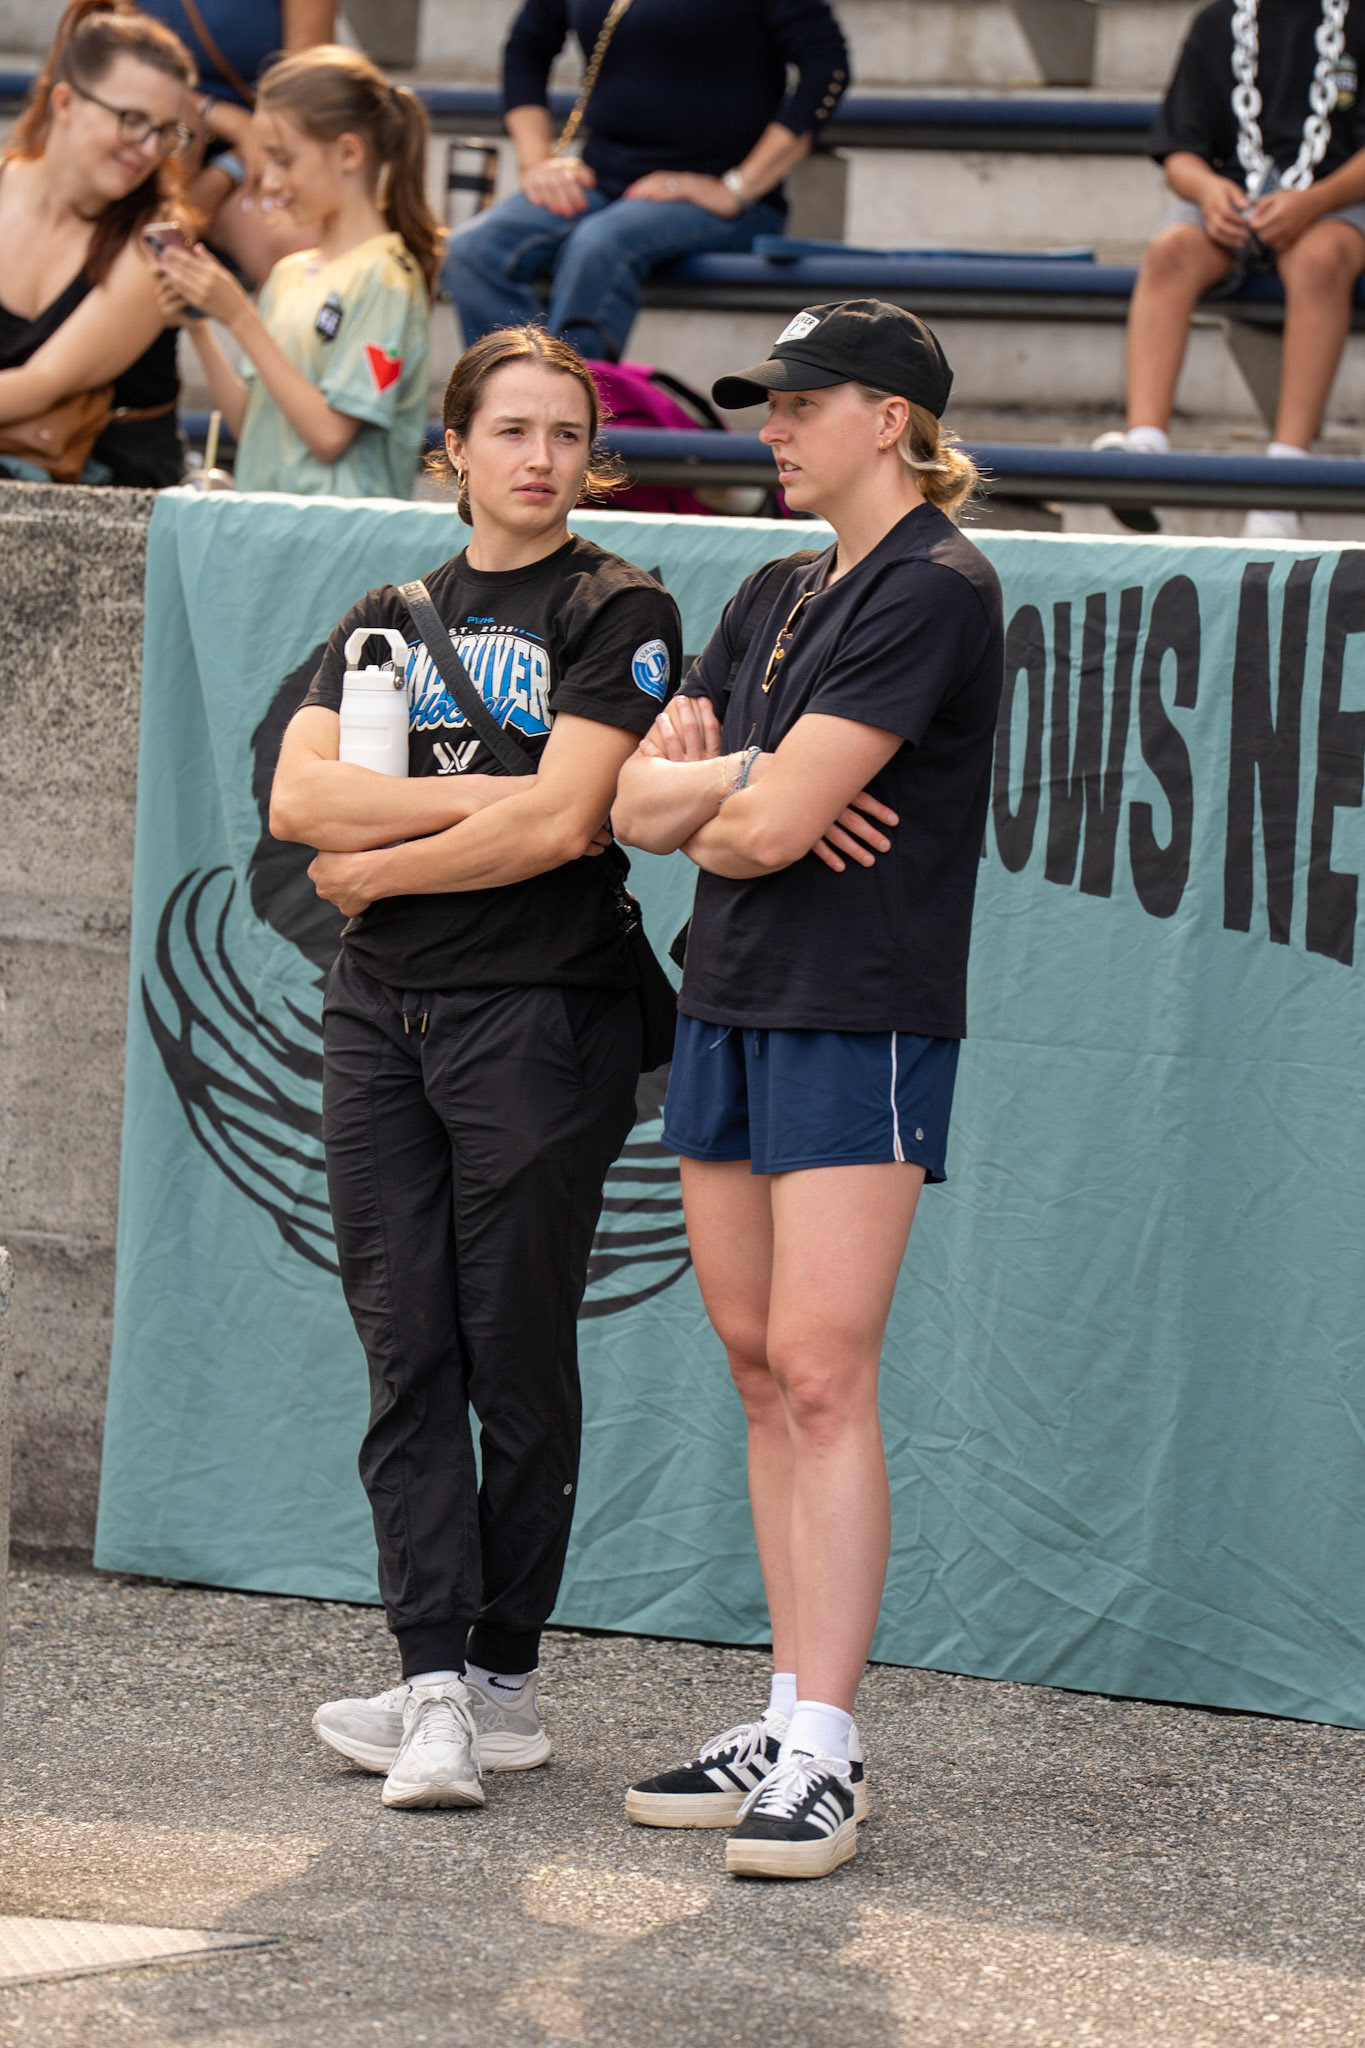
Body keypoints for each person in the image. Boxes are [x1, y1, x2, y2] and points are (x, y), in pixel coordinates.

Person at [612, 300, 1004, 1881]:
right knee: (759, 1366)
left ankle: (827, 1749)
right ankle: (784, 1717)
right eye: (765, 406)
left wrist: (736, 795)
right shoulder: (771, 588)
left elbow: (764, 832)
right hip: (727, 996)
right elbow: (638, 807)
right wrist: (743, 780)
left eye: (799, 404)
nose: (769, 431)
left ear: (890, 420)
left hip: (861, 1016)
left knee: (826, 1372)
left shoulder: (939, 586)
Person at [269, 324, 681, 1811]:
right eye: (510, 429)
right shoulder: (385, 615)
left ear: (593, 455)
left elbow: (568, 823)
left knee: (513, 1347)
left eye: (567, 433)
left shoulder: (618, 605)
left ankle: (502, 1676)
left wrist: (382, 864)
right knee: (406, 1350)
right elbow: (299, 797)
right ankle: (431, 1676)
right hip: (380, 1017)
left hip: (540, 1013)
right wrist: (482, 813)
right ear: (452, 447)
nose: (540, 456)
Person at [444, 0, 849, 362]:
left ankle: (577, 411)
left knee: (598, 244)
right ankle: (512, 398)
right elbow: (527, 45)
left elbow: (827, 66)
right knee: (472, 251)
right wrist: (535, 163)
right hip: (602, 181)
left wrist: (736, 189)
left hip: (718, 200)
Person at [1096, 0, 1365, 538]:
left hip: (1339, 197)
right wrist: (1208, 191)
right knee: (1171, 251)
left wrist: (1314, 202)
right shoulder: (1219, 22)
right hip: (1236, 197)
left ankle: (1284, 480)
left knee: (1319, 259)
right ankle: (1145, 446)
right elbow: (1180, 152)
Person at [151, 45, 440, 500]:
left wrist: (240, 318)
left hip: (343, 538)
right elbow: (252, 424)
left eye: (284, 160)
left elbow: (329, 436)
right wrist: (200, 323)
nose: (268, 181)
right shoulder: (289, 273)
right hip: (271, 529)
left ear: (348, 153)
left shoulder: (387, 277)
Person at [0, 0, 197, 488]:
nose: (149, 148)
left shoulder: (155, 241)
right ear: (64, 102)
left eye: (165, 132)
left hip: (106, 505)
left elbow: (42, 383)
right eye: (131, 119)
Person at [142, 0, 336, 287]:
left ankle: (192, 210)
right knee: (180, 118)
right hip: (159, 134)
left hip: (268, 146)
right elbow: (103, 63)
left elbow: (307, 89)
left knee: (301, 250)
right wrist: (222, 117)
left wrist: (232, 165)